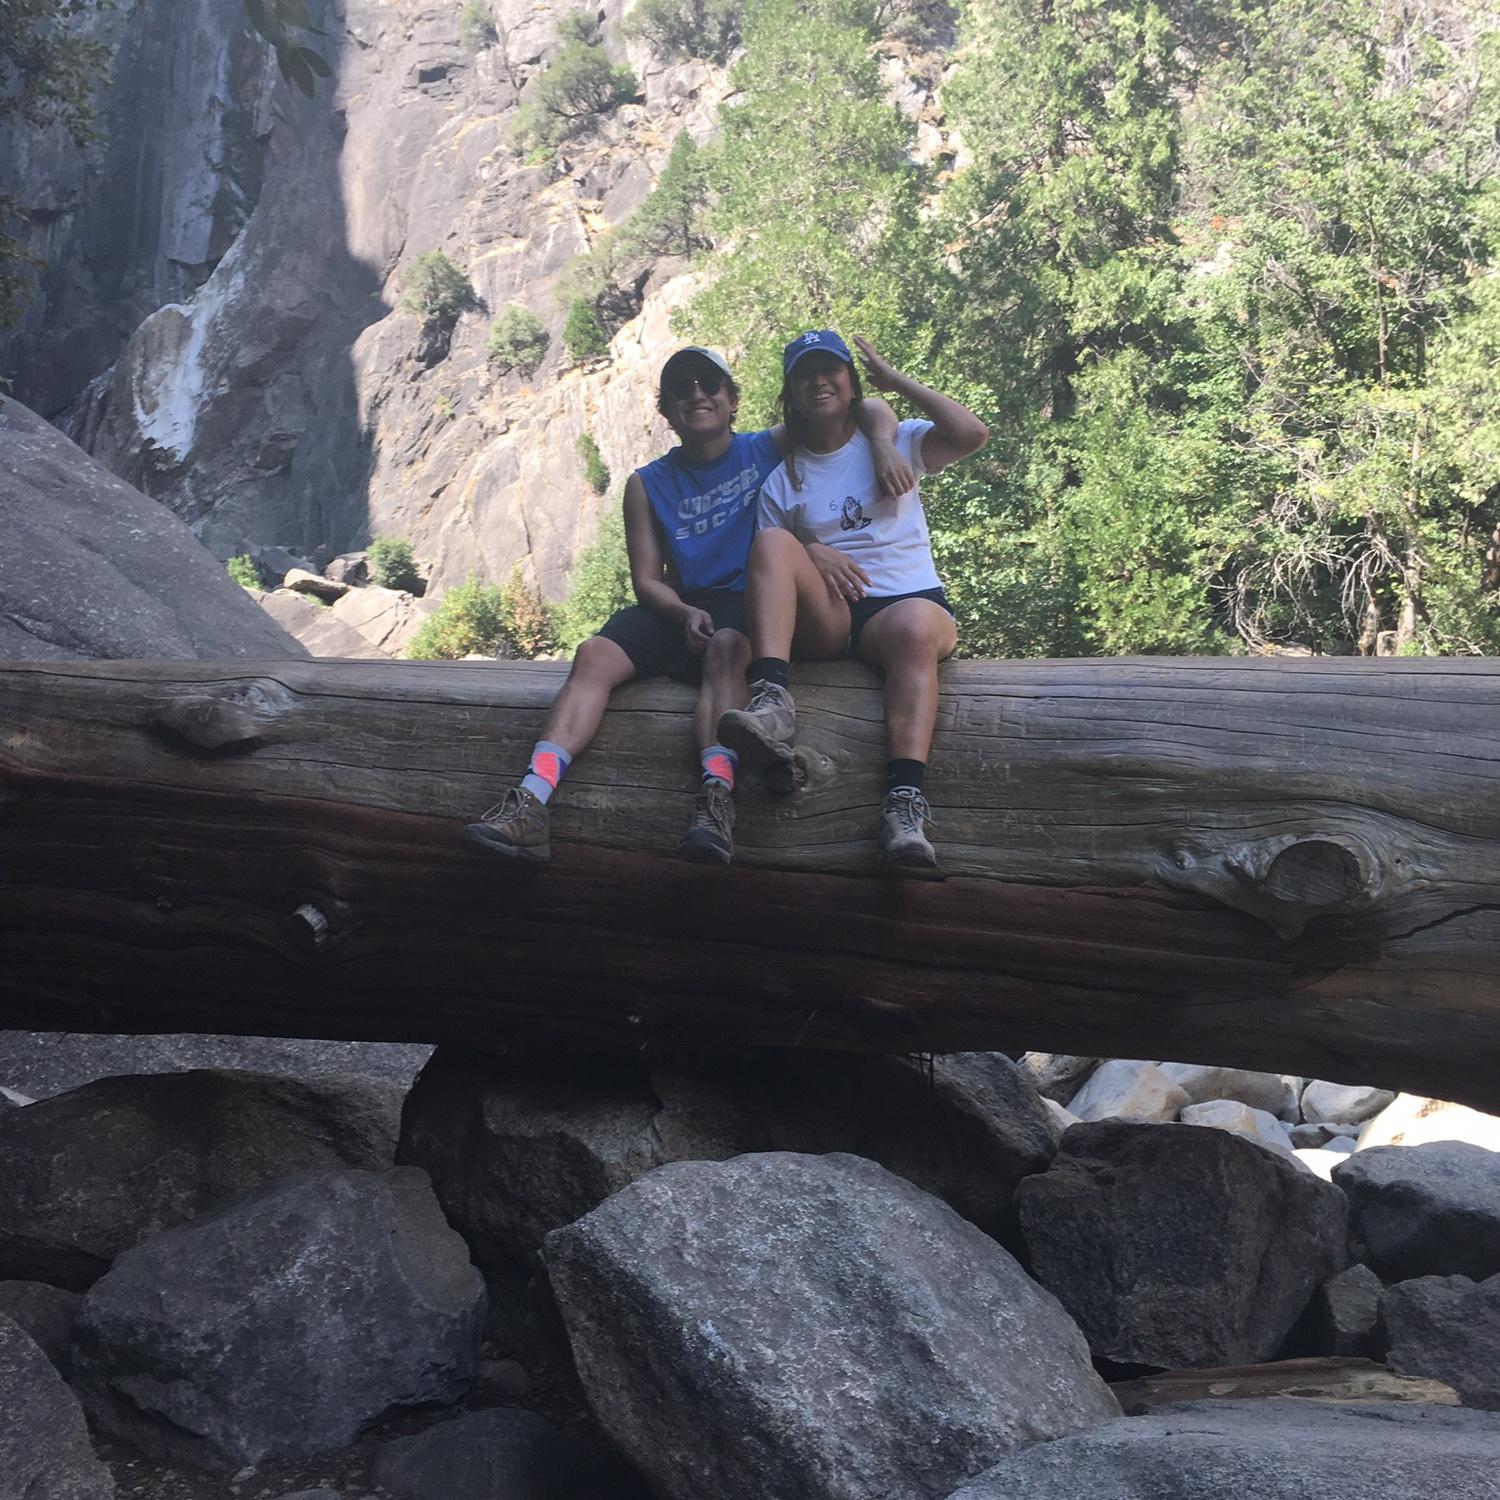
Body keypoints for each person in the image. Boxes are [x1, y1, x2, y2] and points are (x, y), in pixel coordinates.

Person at [460, 344, 909, 864]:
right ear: (666, 410)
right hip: (681, 604)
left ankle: (716, 800)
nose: (696, 394)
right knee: (594, 654)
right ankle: (531, 799)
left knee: (727, 648)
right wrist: (679, 612)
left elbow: (864, 407)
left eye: (709, 383)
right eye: (680, 388)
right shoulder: (647, 484)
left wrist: (883, 444)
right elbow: (646, 580)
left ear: (732, 399)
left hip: (750, 600)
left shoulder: (767, 447)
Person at [716, 330, 988, 870]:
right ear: (790, 392)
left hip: (907, 601)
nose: (819, 382)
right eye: (805, 374)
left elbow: (972, 434)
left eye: (830, 370)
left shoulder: (898, 440)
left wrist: (894, 385)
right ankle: (772, 700)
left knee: (914, 629)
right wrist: (812, 551)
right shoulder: (782, 480)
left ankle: (904, 804)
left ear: (851, 380)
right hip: (835, 615)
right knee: (771, 542)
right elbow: (772, 569)